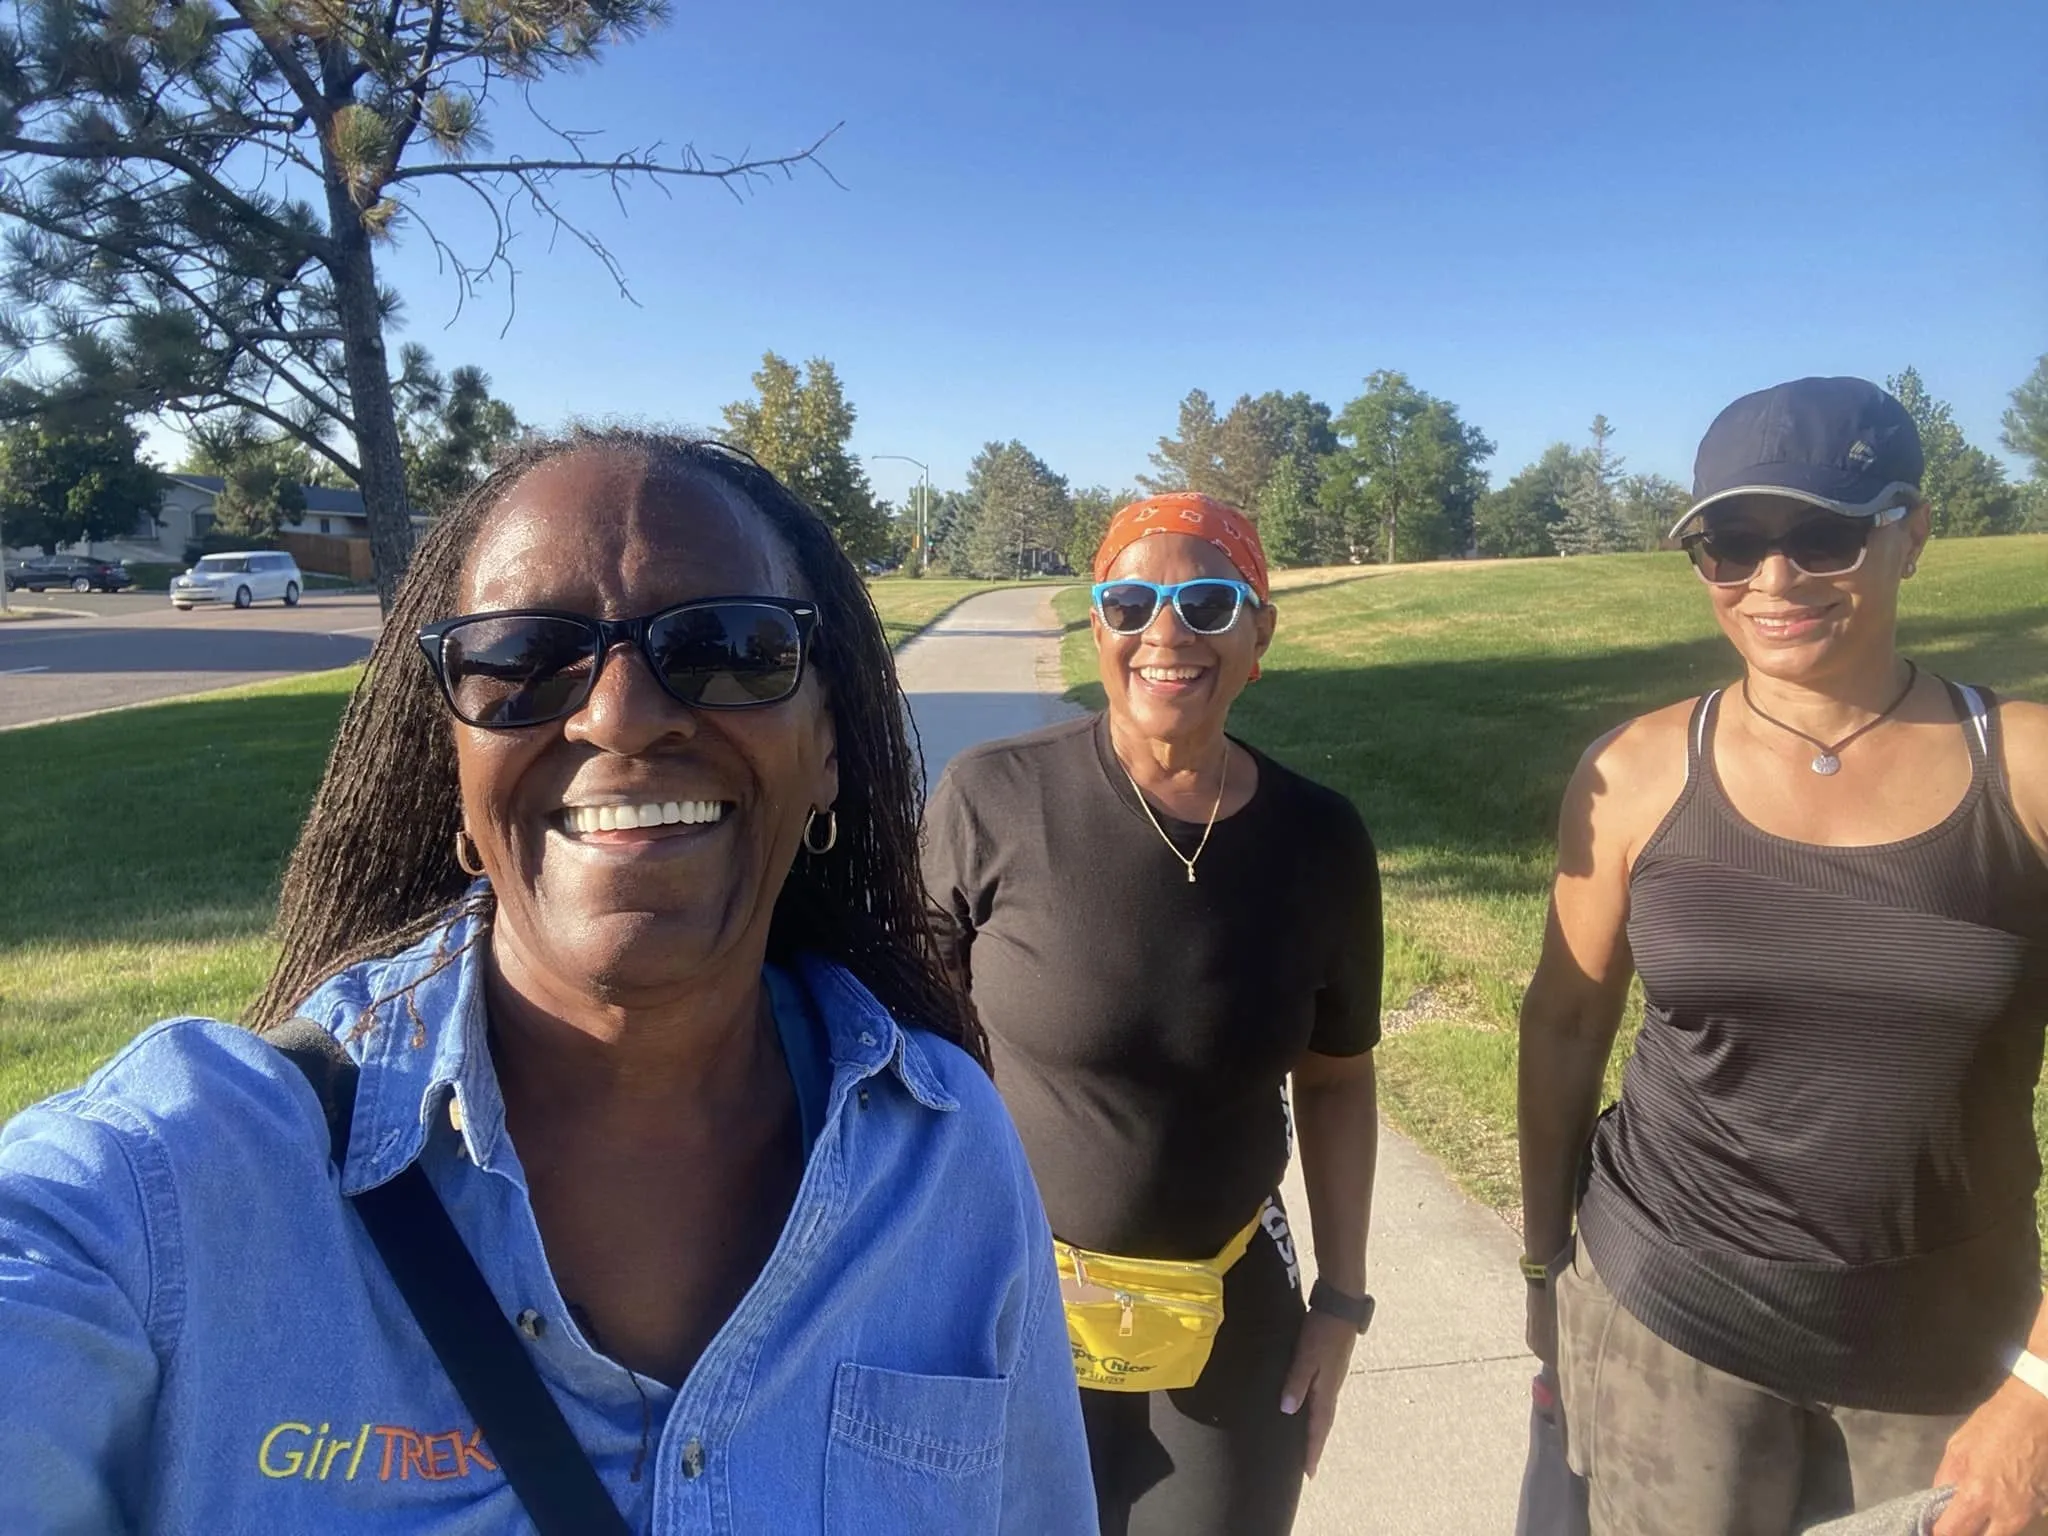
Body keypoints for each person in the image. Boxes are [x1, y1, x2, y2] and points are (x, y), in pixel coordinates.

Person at [0, 430, 1096, 1534]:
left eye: (727, 647)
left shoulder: (947, 1154)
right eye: (522, 657)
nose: (619, 715)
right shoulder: (169, 1193)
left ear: (827, 753)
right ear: (455, 772)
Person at [1517, 377, 2048, 1536]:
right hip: (1668, 1319)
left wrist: (2040, 1389)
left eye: (1820, 533)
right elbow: (1560, 1025)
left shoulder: (2024, 770)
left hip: (1952, 1350)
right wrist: (1541, 1270)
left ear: (1909, 532)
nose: (1772, 581)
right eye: (1728, 544)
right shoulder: (1640, 773)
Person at [922, 493, 1383, 1536]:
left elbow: (1338, 1075)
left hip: (1229, 1316)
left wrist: (1342, 1304)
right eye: (1129, 601)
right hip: (1012, 1309)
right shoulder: (991, 799)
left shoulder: (1319, 840)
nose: (1164, 633)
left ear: (1259, 632)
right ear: (1096, 626)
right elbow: (910, 1059)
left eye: (1207, 602)